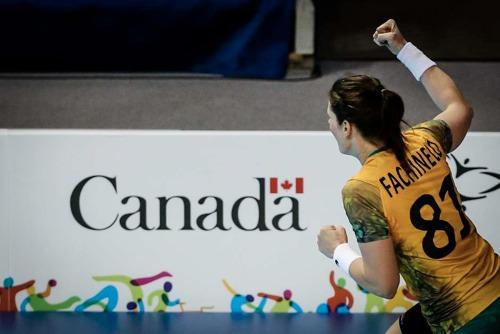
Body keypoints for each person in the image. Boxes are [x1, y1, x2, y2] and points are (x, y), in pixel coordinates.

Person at [317, 19, 499, 334]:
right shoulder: (426, 139)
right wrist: (403, 48)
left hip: (463, 318)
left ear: (347, 127)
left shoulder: (362, 189)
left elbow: (383, 283)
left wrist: (337, 250)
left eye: (330, 118)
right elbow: (458, 106)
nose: (329, 125)